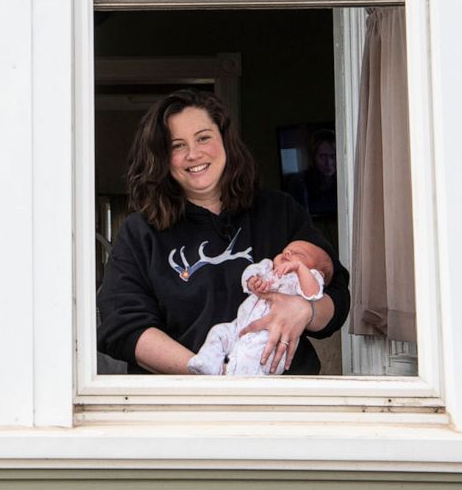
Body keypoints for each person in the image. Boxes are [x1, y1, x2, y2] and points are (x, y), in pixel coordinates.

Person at [97, 89, 350, 375]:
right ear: (162, 158)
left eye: (203, 137)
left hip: (282, 401)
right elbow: (123, 326)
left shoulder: (279, 211)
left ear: (224, 140)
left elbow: (337, 294)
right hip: (183, 403)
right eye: (177, 146)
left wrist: (306, 311)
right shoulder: (140, 232)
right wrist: (213, 376)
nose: (193, 154)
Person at [187, 239, 333, 376]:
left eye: (298, 254)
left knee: (250, 354)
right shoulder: (268, 267)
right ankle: (208, 364)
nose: (288, 253)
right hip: (241, 326)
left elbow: (312, 293)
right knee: (218, 331)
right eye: (285, 251)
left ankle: (237, 381)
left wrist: (299, 268)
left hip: (270, 335)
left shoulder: (306, 278)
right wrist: (253, 281)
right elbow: (249, 273)